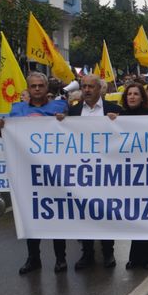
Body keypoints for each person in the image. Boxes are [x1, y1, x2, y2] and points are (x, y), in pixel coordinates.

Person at [0, 71, 69, 274]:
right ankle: (33, 258)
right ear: (27, 88)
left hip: (55, 171)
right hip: (28, 172)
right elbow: (10, 136)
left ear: (47, 88)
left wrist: (66, 121)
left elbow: (71, 132)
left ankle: (60, 258)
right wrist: (1, 128)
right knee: (30, 214)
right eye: (33, 86)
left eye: (41, 86)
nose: (37, 89)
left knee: (57, 215)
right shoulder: (17, 109)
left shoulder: (60, 107)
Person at [58, 74, 122, 270]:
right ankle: (87, 253)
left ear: (100, 89)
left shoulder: (115, 110)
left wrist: (119, 121)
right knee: (84, 213)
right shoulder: (73, 111)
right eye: (84, 86)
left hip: (108, 171)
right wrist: (60, 123)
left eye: (91, 87)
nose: (86, 90)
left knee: (106, 213)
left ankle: (108, 252)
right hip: (83, 171)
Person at [116, 83, 148, 270]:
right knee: (134, 217)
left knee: (147, 217)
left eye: (136, 94)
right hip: (129, 173)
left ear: (142, 97)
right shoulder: (119, 117)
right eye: (129, 94)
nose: (132, 97)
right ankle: (134, 258)